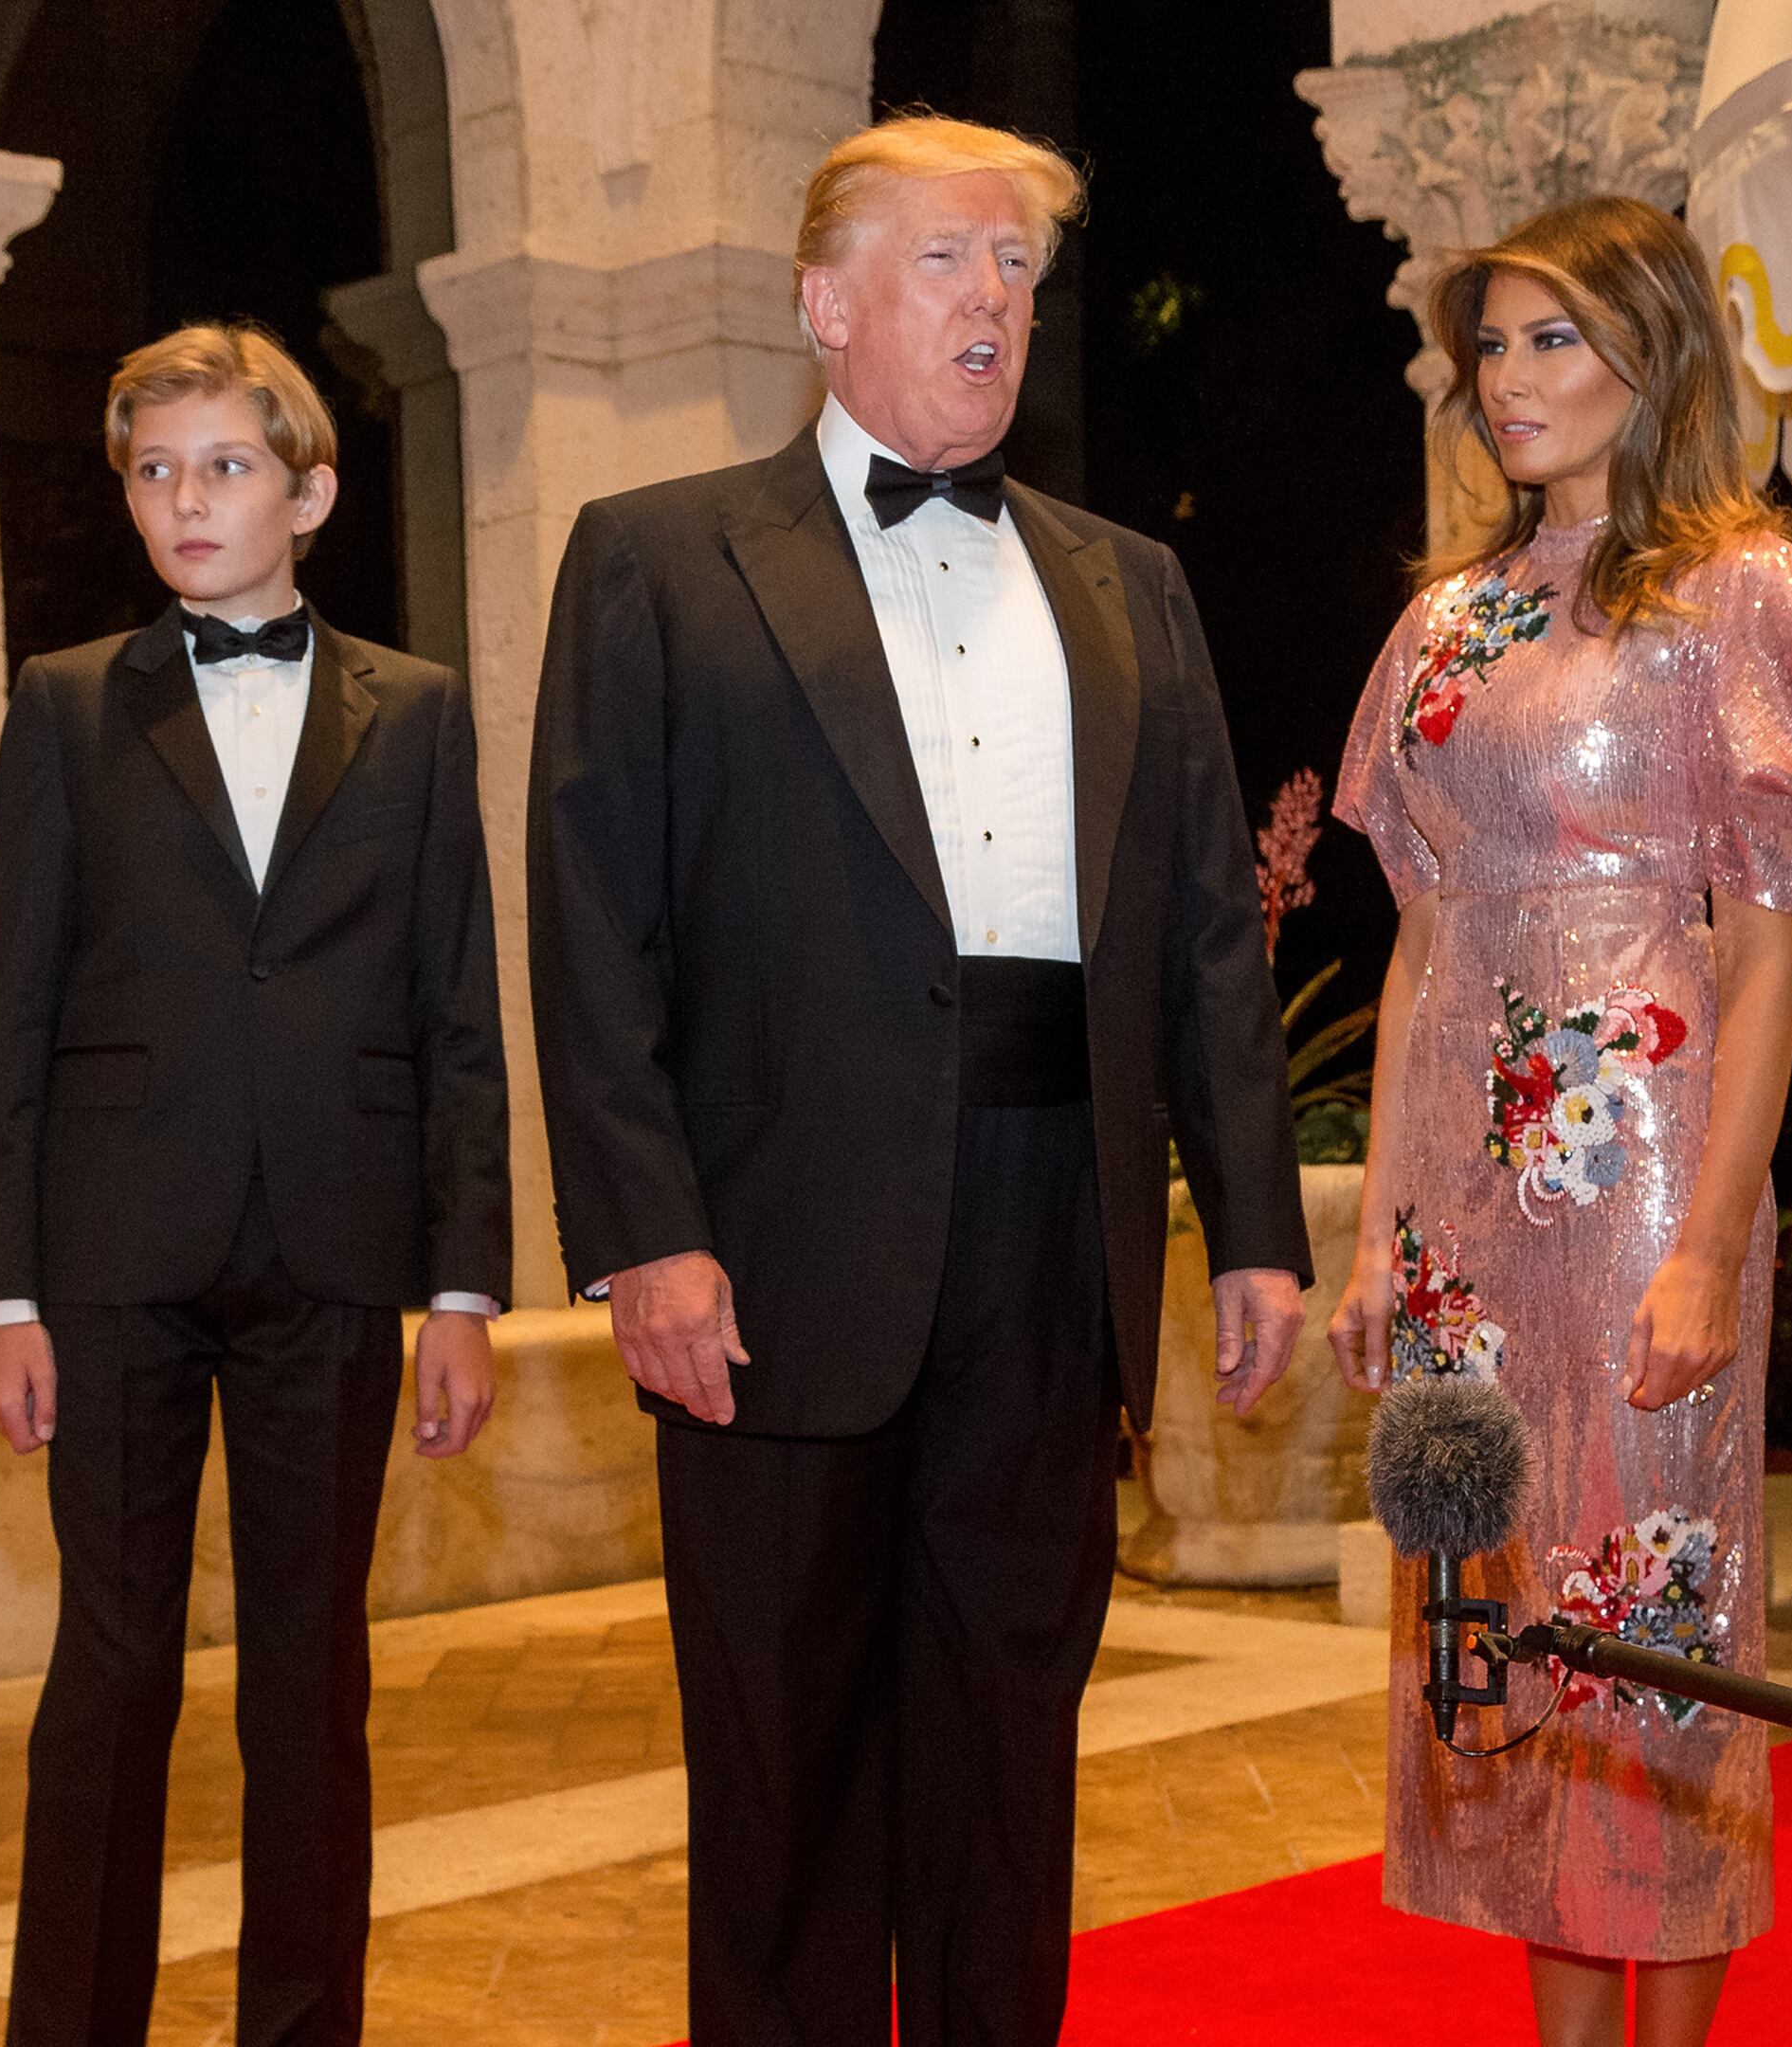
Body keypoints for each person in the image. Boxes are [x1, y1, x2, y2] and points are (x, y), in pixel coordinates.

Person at [526, 114, 1312, 2045]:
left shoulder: (1131, 585)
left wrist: (1255, 1230)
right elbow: (587, 927)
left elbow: (1210, 923)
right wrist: (647, 1236)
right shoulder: (657, 561)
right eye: (952, 260)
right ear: (828, 305)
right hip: (778, 1249)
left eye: (1020, 270)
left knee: (1004, 1750)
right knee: (786, 1766)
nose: (997, 301)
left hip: (1058, 1233)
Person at [1327, 196, 1792, 2047]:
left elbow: (1765, 952)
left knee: (1653, 1629)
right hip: (1458, 1220)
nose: (1506, 379)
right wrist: (1375, 1247)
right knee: (1495, 1644)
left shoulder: (1743, 590)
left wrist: (1714, 1244)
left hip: (1644, 1176)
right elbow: (1420, 940)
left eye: (1550, 338)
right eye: (1488, 344)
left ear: (1655, 355)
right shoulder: (1444, 620)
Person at [0, 321, 510, 2047]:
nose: (187, 500)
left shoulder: (415, 715)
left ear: (310, 491)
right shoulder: (62, 702)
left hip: (335, 1252)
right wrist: (1, 1289)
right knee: (109, 1674)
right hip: (113, 1253)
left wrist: (465, 1290)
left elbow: (459, 1007)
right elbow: (14, 1003)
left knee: (309, 1682)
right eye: (155, 470)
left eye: (226, 465)